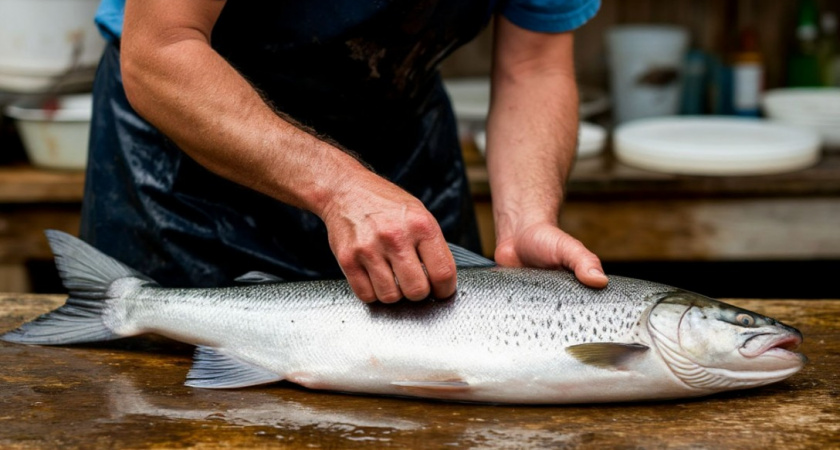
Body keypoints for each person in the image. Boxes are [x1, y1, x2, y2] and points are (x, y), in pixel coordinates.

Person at [81, 0, 609, 303]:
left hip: (402, 157)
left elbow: (534, 67)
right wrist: (340, 190)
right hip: (193, 162)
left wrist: (525, 222)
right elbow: (160, 51)